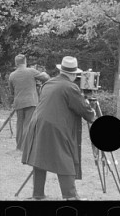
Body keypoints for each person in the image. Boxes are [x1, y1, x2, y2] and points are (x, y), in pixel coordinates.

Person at [21, 56, 95, 200]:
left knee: (39, 157)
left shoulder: (49, 83)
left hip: (37, 123)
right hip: (55, 127)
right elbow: (82, 109)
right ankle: (70, 195)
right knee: (65, 158)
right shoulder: (70, 87)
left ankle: (38, 194)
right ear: (73, 74)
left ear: (61, 70)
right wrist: (91, 112)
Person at [8, 54, 50, 151]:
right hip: (30, 102)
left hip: (18, 102)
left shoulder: (12, 75)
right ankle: (26, 146)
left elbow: (11, 92)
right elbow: (46, 78)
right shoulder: (31, 71)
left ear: (16, 63)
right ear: (25, 61)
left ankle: (19, 146)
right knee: (28, 124)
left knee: (19, 124)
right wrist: (43, 73)